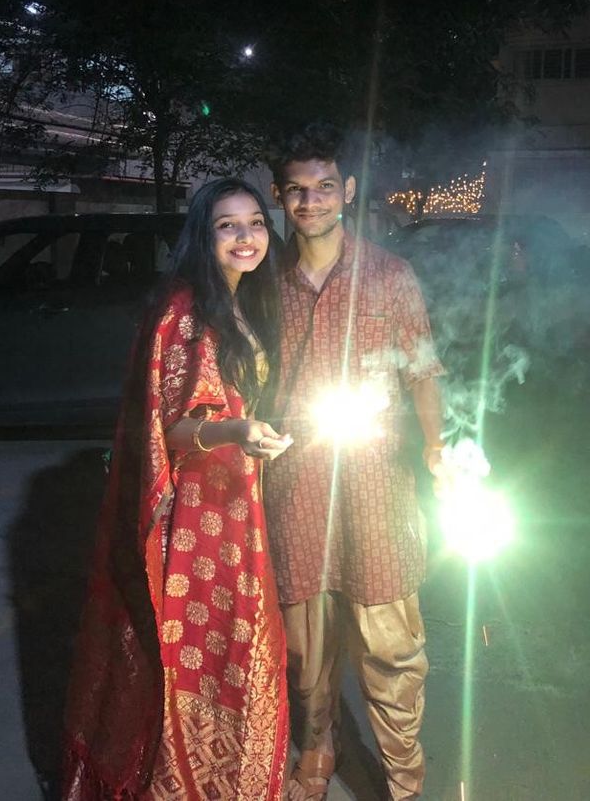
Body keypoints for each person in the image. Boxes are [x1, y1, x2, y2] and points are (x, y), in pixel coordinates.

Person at [62, 178, 293, 800]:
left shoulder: (242, 301)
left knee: (245, 651)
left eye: (255, 223)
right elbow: (173, 425)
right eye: (227, 225)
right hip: (196, 518)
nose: (245, 237)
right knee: (206, 658)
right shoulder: (186, 309)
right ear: (203, 235)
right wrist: (237, 428)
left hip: (240, 504)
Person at [265, 124, 448, 801]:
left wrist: (436, 445)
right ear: (281, 198)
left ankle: (404, 779)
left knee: (391, 649)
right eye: (295, 190)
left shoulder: (390, 275)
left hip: (377, 488)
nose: (309, 201)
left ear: (347, 191)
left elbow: (424, 370)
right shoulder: (264, 281)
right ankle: (317, 752)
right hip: (296, 485)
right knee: (306, 654)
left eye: (322, 188)